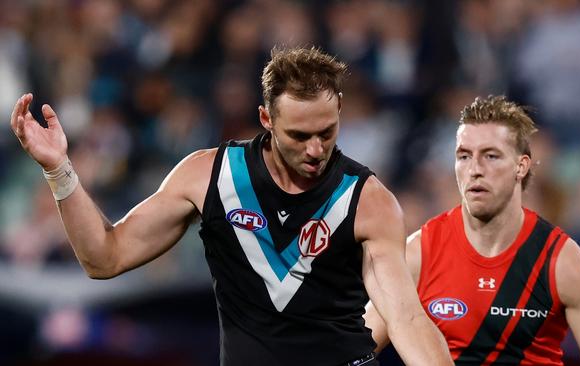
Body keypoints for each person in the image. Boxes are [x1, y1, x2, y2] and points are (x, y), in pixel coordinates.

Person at [9, 46, 452, 366]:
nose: (317, 150)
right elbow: (104, 258)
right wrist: (59, 170)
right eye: (299, 136)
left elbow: (407, 317)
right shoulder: (210, 177)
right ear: (266, 120)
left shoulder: (367, 200)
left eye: (328, 132)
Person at [364, 95, 580, 365]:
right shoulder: (418, 254)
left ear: (521, 166)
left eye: (491, 156)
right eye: (464, 156)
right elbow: (352, 350)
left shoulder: (564, 263)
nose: (475, 170)